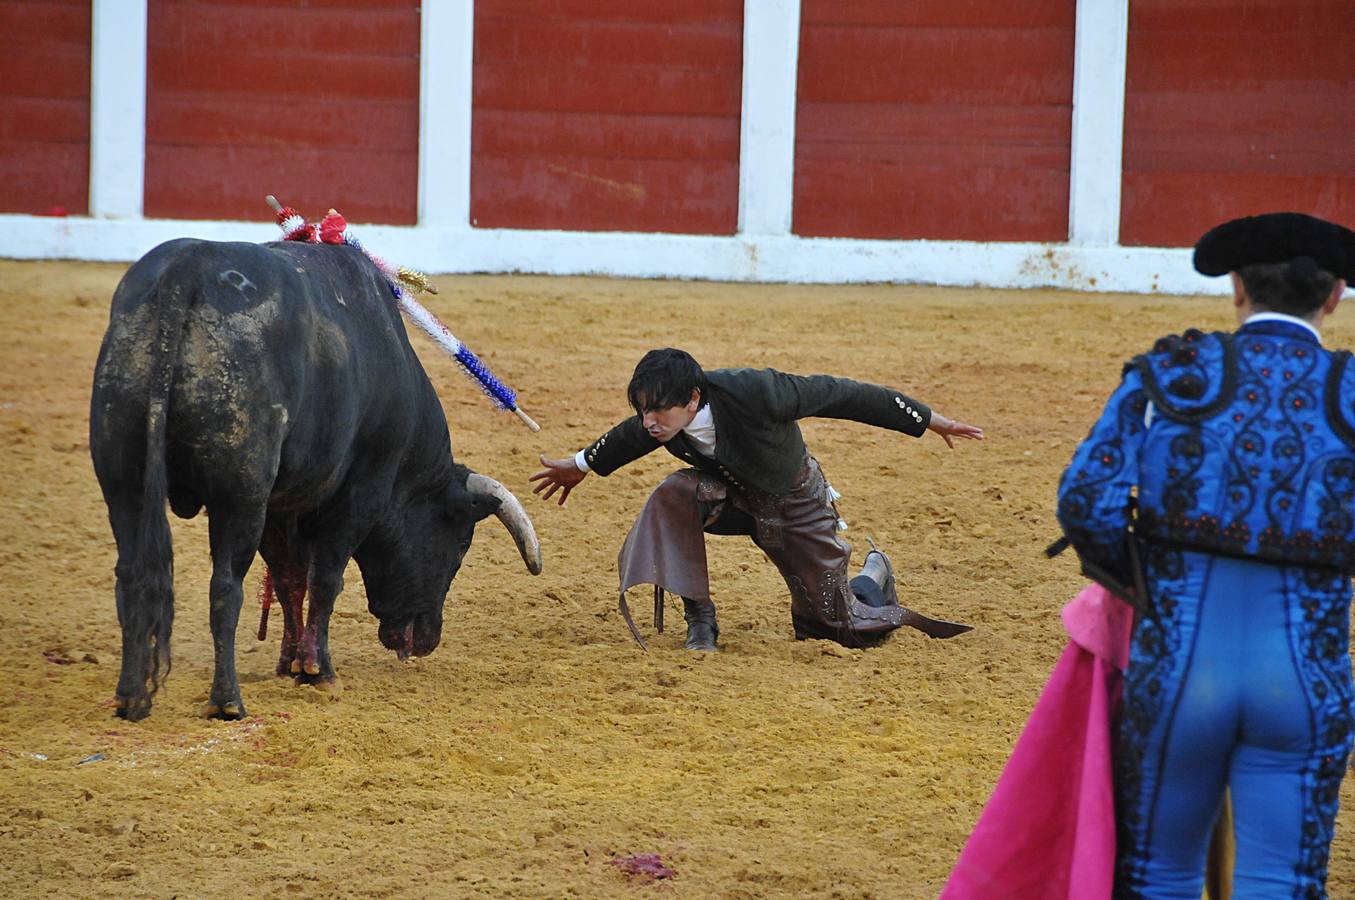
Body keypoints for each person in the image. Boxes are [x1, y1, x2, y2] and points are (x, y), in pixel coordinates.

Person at [1056, 212, 1355, 897]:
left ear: (1236, 288)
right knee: (1282, 879)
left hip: (1179, 668)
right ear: (1333, 296)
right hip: (1305, 678)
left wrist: (1147, 583)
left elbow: (1086, 500)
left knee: (1157, 875)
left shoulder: (1174, 374)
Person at [531, 348, 982, 650]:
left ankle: (873, 573)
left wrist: (926, 420)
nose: (650, 421)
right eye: (643, 410)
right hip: (733, 499)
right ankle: (701, 620)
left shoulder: (761, 391)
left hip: (794, 503)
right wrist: (582, 464)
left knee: (833, 630)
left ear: (692, 398)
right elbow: (631, 436)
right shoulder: (660, 421)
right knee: (675, 493)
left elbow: (847, 395)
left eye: (658, 410)